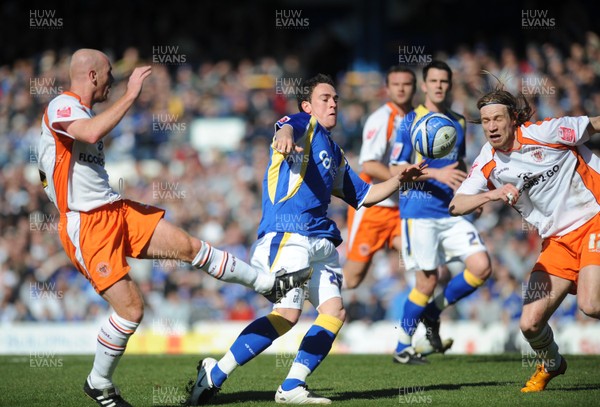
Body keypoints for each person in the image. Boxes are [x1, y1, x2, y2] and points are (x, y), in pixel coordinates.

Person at [36, 48, 312, 407]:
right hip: (86, 224)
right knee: (132, 311)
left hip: (114, 208)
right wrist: (131, 95)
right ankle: (99, 383)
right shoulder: (62, 105)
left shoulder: (81, 110)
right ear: (91, 76)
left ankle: (268, 284)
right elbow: (88, 134)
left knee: (189, 247)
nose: (113, 81)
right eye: (108, 75)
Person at [186, 73, 425, 405]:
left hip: (321, 240)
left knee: (334, 311)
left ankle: (291, 387)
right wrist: (283, 133)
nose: (332, 103)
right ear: (308, 105)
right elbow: (286, 127)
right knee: (287, 314)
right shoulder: (304, 125)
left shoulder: (335, 152)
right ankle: (214, 375)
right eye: (325, 98)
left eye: (335, 99)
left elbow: (367, 195)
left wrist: (400, 177)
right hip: (289, 234)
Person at [449, 86, 600, 392]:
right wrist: (491, 194)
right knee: (529, 323)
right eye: (485, 120)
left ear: (513, 119)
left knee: (591, 304)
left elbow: (594, 124)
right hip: (557, 241)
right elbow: (456, 204)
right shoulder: (488, 160)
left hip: (594, 217)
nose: (490, 126)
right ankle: (553, 363)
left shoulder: (548, 132)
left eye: (497, 118)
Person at [389, 60, 492, 364]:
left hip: (450, 211)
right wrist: (436, 175)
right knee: (427, 281)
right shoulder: (408, 121)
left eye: (443, 81)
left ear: (449, 84)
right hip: (418, 212)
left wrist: (471, 194)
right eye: (432, 81)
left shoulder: (458, 122)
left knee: (482, 266)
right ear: (424, 85)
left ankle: (432, 312)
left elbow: (459, 167)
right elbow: (396, 169)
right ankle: (402, 347)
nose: (438, 86)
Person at [343, 65, 416, 289]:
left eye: (406, 84)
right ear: (387, 88)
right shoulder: (381, 119)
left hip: (400, 209)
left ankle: (423, 316)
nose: (401, 89)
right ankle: (305, 288)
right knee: (353, 279)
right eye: (396, 84)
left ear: (415, 87)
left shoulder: (417, 118)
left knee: (417, 257)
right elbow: (369, 164)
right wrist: (403, 183)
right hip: (373, 206)